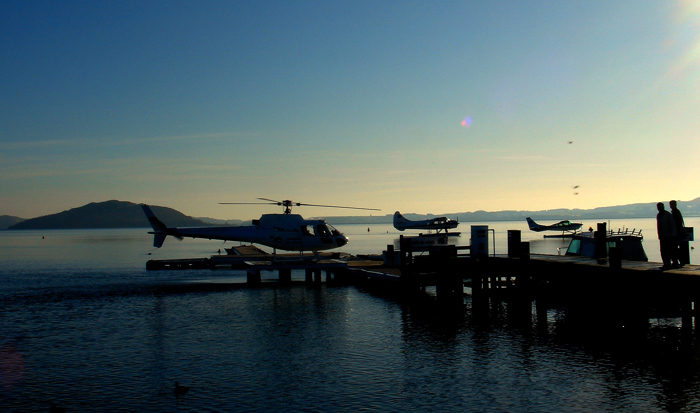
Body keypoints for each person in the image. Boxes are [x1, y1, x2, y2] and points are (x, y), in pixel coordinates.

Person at [656, 202, 677, 270]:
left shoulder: (668, 215)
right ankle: (666, 263)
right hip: (662, 236)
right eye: (658, 207)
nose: (659, 208)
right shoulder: (658, 215)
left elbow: (672, 225)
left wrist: (673, 235)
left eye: (660, 207)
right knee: (663, 251)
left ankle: (674, 263)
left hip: (669, 236)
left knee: (671, 250)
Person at [670, 200, 686, 267]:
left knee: (675, 248)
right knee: (677, 248)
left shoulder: (675, 212)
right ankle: (679, 261)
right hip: (678, 232)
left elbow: (677, 223)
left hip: (676, 232)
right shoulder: (676, 211)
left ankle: (678, 261)